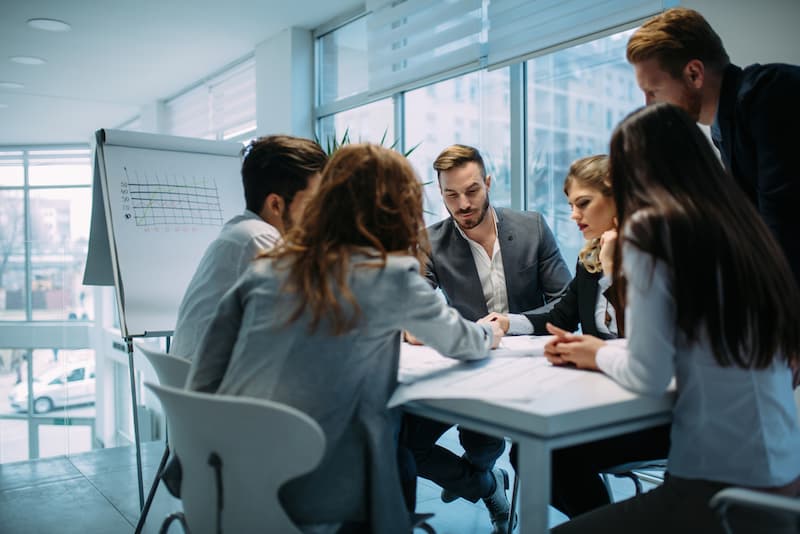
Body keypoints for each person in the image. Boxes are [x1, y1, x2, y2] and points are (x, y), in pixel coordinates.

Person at [186, 143, 504, 533]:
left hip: (221, 483)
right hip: (312, 497)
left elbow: (204, 376)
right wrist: (493, 330)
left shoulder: (267, 267)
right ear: (399, 207)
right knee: (394, 453)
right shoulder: (388, 275)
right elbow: (463, 341)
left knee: (398, 456)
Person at [547, 103, 800, 534]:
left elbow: (647, 374)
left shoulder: (650, 231)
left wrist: (599, 353)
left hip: (718, 489)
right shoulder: (745, 230)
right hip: (783, 480)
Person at [481, 155, 671, 518]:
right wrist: (507, 322)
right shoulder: (591, 260)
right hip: (606, 401)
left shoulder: (656, 260)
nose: (573, 215)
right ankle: (599, 521)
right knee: (528, 451)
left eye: (583, 203)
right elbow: (560, 316)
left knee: (553, 453)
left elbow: (649, 341)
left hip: (653, 411)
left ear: (620, 200)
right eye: (571, 205)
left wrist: (617, 269)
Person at [402, 144, 571, 534]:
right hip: (468, 364)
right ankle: (487, 485)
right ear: (440, 194)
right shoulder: (430, 241)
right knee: (406, 443)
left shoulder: (532, 227)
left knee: (483, 446)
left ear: (488, 183)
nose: (462, 204)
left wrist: (512, 323)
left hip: (531, 365)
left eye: (472, 190)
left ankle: (478, 475)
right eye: (451, 195)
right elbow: (413, 309)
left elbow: (566, 300)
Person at [626, 7, 800, 285]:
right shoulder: (728, 125)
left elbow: (783, 227)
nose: (648, 105)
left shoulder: (770, 94)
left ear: (694, 74)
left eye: (653, 91)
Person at [170, 135, 326, 359]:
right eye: (312, 203)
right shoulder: (258, 240)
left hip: (206, 382)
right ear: (275, 205)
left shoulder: (241, 232)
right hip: (217, 389)